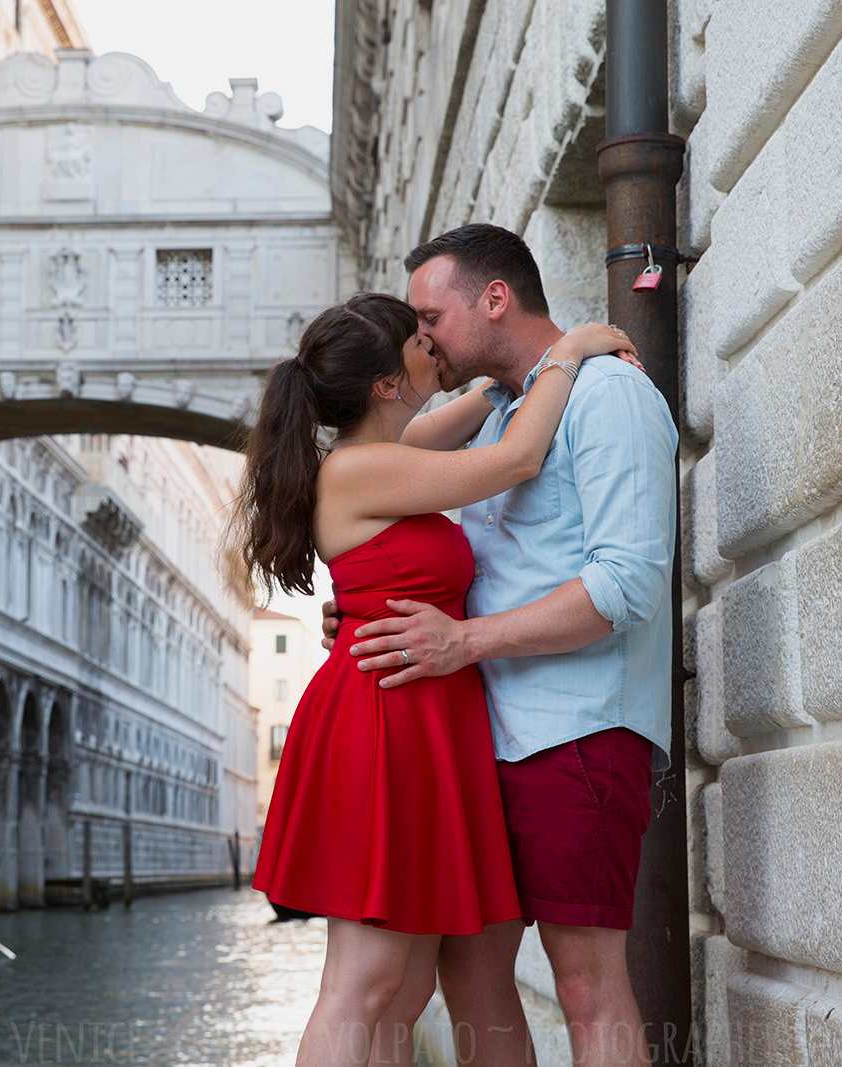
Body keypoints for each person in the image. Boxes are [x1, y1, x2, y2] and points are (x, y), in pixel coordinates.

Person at [233, 290, 636, 1067]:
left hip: (418, 716)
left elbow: (484, 404)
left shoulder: (395, 446)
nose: (435, 348)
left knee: (408, 981)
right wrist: (570, 350)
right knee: (369, 978)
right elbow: (515, 458)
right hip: (385, 719)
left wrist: (510, 371)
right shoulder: (363, 467)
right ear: (388, 380)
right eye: (421, 341)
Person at [325, 223, 678, 1067]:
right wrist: (368, 609)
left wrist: (463, 640)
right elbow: (391, 478)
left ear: (493, 299)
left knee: (587, 982)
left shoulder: (608, 396)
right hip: (485, 738)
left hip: (579, 731)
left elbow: (625, 584)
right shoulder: (499, 416)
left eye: (429, 316)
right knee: (471, 975)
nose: (423, 339)